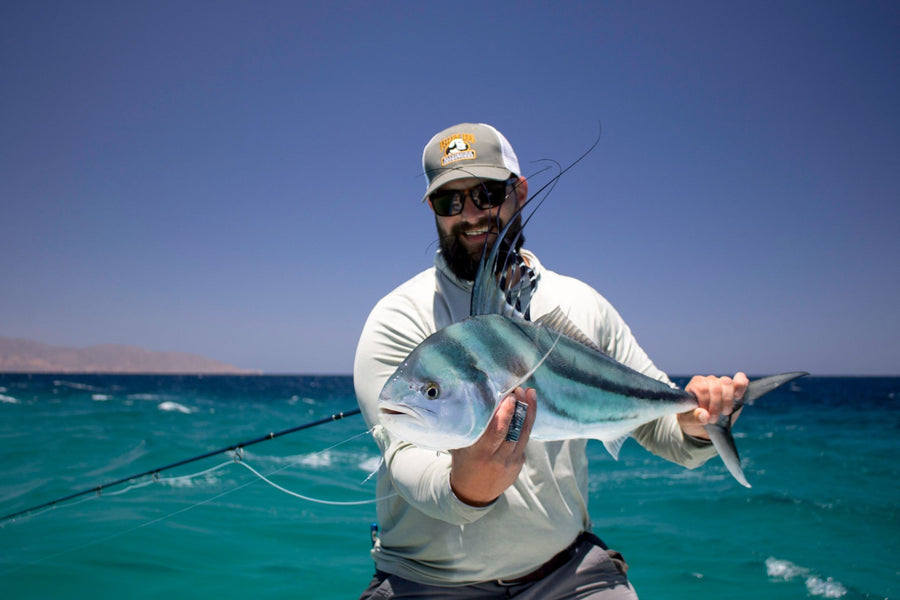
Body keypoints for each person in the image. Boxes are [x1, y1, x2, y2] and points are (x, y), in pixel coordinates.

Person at [353, 122, 748, 599]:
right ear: (433, 210)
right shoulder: (399, 316)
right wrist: (466, 486)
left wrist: (700, 424)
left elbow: (661, 429)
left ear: (519, 191)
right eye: (448, 201)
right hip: (429, 583)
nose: (470, 213)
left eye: (486, 192)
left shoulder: (582, 304)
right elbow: (404, 458)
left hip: (569, 577)